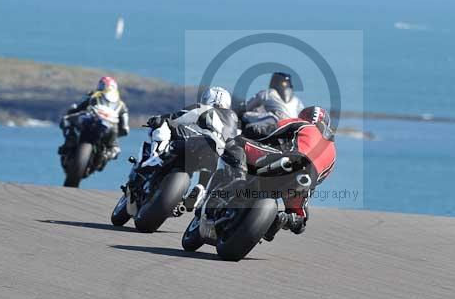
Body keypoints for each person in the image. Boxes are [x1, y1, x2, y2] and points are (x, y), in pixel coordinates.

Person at [217, 105, 336, 241]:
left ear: (305, 116)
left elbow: (269, 131)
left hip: (290, 160)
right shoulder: (333, 153)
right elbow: (320, 179)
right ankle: (285, 219)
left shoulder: (302, 124)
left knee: (237, 143)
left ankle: (237, 179)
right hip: (306, 180)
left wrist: (248, 130)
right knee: (300, 220)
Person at [142, 86, 238, 205]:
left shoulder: (204, 108)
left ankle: (156, 156)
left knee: (164, 125)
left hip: (194, 145)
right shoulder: (234, 118)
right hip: (220, 154)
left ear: (207, 98)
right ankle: (201, 189)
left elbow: (176, 118)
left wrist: (159, 119)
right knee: (210, 167)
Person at [58, 76, 130, 161]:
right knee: (115, 148)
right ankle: (71, 142)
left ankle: (70, 143)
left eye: (103, 85)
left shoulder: (95, 95)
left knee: (67, 120)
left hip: (96, 123)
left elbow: (78, 108)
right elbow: (124, 128)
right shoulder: (121, 104)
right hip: (106, 127)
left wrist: (72, 112)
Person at [242, 72, 304, 138]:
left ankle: (243, 132)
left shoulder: (268, 93)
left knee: (245, 115)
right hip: (294, 127)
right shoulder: (297, 100)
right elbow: (303, 115)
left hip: (278, 123)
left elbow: (247, 107)